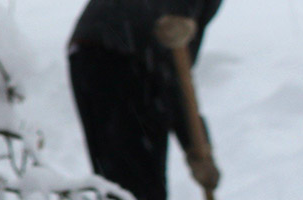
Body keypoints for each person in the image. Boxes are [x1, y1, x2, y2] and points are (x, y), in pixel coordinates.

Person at [67, 0, 223, 199]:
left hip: (86, 50)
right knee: (140, 187)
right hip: (131, 54)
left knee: (114, 180)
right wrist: (197, 150)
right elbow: (176, 71)